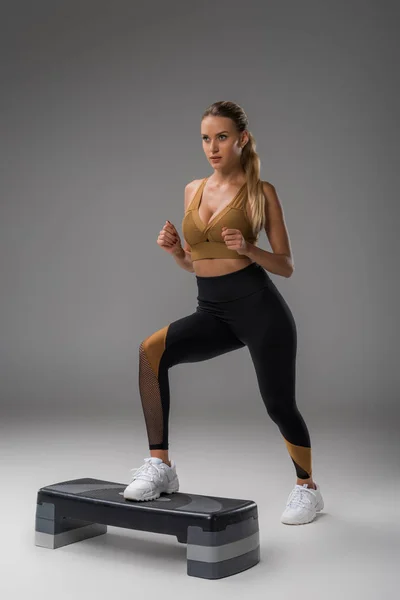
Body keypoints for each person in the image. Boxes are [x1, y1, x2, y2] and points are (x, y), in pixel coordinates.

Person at [123, 100, 324, 525]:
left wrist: (250, 249)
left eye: (222, 137)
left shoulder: (261, 192)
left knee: (278, 403)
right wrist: (177, 251)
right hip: (212, 311)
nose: (212, 147)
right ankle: (161, 467)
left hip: (260, 311)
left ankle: (307, 488)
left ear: (242, 139)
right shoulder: (192, 189)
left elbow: (285, 265)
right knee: (150, 353)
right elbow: (195, 263)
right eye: (206, 138)